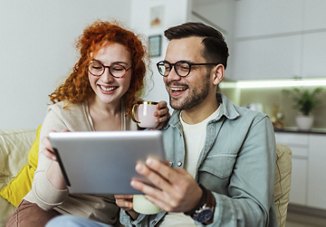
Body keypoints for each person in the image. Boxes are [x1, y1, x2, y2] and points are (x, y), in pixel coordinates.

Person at [46, 22, 277, 227]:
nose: (171, 77)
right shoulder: (157, 128)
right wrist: (132, 210)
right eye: (167, 66)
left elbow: (256, 217)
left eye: (184, 67)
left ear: (216, 74)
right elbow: (137, 219)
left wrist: (199, 202)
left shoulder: (251, 126)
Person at [6, 20, 169, 227]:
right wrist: (59, 162)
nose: (106, 78)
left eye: (118, 68)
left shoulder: (137, 119)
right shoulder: (62, 115)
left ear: (133, 72)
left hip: (101, 222)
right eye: (97, 66)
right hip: (47, 214)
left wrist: (131, 205)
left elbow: (138, 207)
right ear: (86, 67)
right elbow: (44, 200)